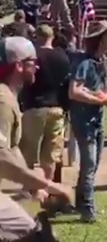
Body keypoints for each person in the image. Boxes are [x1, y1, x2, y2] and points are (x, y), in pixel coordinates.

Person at [0, 36, 73, 239]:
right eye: (34, 62)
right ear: (19, 65)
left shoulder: (9, 98)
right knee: (35, 235)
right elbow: (2, 159)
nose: (38, 67)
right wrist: (49, 185)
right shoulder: (3, 102)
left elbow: (11, 150)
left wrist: (34, 183)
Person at [67, 20, 107, 223]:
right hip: (83, 121)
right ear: (100, 39)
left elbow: (102, 88)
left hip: (97, 119)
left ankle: (81, 203)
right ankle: (88, 210)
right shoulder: (84, 62)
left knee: (93, 164)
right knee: (89, 165)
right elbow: (74, 91)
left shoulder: (103, 61)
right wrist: (101, 99)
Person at [20, 25, 70, 183]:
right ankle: (46, 185)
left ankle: (28, 187)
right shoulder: (63, 57)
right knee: (50, 154)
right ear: (52, 37)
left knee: (28, 151)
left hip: (35, 106)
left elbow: (26, 80)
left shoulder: (33, 57)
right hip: (57, 108)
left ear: (37, 37)